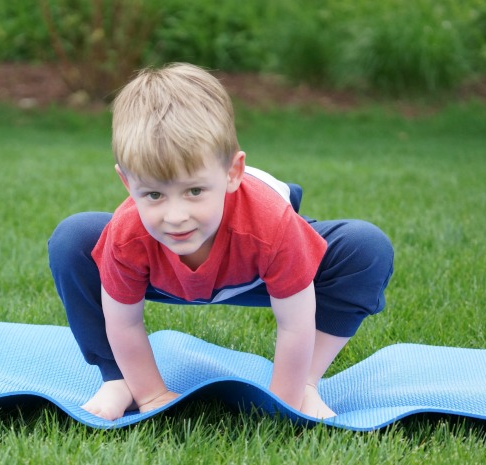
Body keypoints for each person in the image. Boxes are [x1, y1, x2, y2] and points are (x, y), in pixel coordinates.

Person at [48, 63, 394, 421]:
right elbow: (124, 324)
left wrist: (285, 404)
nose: (176, 216)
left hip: (260, 267)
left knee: (367, 247)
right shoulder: (129, 233)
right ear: (126, 183)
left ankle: (306, 384)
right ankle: (118, 379)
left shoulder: (270, 224)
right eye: (153, 194)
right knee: (74, 239)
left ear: (233, 173)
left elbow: (295, 323)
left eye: (194, 190)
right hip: (161, 273)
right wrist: (151, 396)